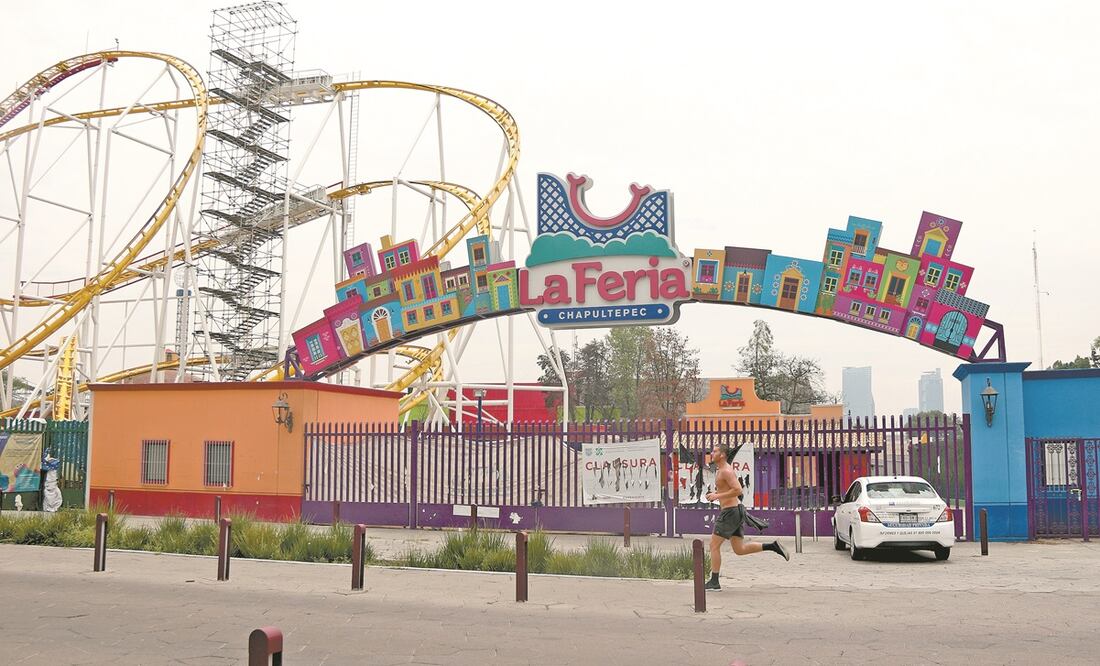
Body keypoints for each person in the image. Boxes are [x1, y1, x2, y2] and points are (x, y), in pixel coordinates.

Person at [704, 443, 789, 591]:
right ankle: (773, 546)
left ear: (722, 454)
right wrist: (715, 495)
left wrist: (717, 495)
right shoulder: (721, 470)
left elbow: (738, 490)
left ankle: (714, 582)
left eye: (715, 451)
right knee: (739, 549)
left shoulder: (726, 471)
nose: (712, 453)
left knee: (713, 545)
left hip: (729, 513)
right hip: (734, 511)